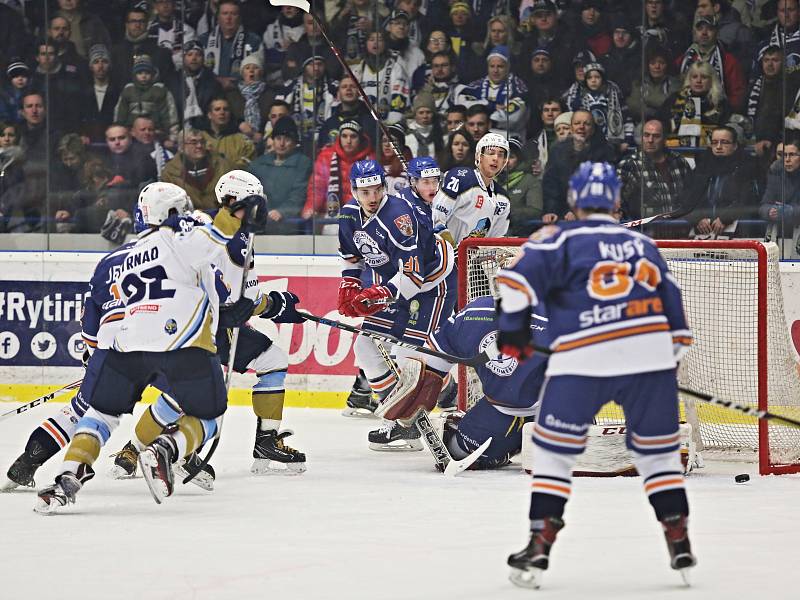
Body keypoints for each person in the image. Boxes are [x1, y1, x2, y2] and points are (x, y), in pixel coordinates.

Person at [496, 161, 695, 589]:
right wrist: (662, 363)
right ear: (616, 202)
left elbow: (513, 283)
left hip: (583, 358)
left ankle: (540, 540)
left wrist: (512, 332)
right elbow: (677, 321)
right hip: (650, 358)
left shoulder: (557, 238)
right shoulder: (643, 245)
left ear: (573, 200)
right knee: (657, 456)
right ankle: (678, 535)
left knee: (553, 452)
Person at [33, 183, 263, 512]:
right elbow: (217, 267)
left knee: (100, 416)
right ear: (173, 213)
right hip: (180, 344)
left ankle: (66, 475)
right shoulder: (184, 235)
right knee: (209, 414)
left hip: (126, 346)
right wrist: (237, 213)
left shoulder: (123, 256)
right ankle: (167, 448)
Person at [109, 172, 308, 478]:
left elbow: (239, 295)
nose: (258, 209)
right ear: (231, 201)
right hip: (202, 326)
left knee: (272, 359)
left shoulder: (229, 228)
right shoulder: (224, 234)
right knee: (183, 395)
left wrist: (269, 304)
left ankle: (266, 441)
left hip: (215, 322)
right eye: (251, 203)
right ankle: (137, 449)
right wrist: (275, 305)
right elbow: (237, 298)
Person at [338, 159, 456, 449]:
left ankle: (449, 397)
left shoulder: (398, 218)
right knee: (366, 347)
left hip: (432, 283)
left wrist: (379, 293)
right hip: (393, 282)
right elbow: (352, 257)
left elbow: (413, 276)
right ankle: (403, 421)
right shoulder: (348, 216)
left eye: (377, 189)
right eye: (365, 192)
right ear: (353, 191)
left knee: (408, 355)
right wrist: (350, 284)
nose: (372, 197)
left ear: (384, 187)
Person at [376, 294, 548, 470]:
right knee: (457, 450)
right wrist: (420, 385)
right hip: (514, 410)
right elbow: (431, 364)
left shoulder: (478, 311)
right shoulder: (476, 313)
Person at [681, 125, 761, 238]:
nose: (718, 147)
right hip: (702, 232)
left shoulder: (747, 168)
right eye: (714, 142)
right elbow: (685, 198)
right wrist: (697, 218)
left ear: (735, 145)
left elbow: (748, 200)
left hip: (737, 231)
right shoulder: (701, 168)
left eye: (724, 142)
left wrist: (725, 218)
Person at [432, 132, 511, 245]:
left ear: (504, 161)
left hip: (474, 260)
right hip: (444, 257)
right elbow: (436, 215)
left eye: (501, 154)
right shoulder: (460, 178)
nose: (495, 158)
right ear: (479, 155)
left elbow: (496, 240)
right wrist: (451, 249)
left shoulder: (503, 199)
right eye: (490, 153)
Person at [617, 119, 692, 233]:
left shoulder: (679, 162)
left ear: (664, 139)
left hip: (679, 232)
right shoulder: (629, 165)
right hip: (646, 234)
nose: (650, 140)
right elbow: (617, 203)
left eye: (656, 136)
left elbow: (692, 197)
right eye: (646, 135)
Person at [542, 109, 616, 223]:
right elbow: (551, 185)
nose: (581, 127)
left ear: (593, 128)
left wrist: (578, 211)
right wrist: (551, 211)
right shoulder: (557, 151)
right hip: (561, 214)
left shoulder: (605, 152)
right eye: (577, 123)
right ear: (571, 127)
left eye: (586, 124)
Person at [246, 116, 312, 234]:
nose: (281, 143)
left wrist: (283, 211)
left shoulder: (303, 163)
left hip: (290, 226)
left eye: (287, 139)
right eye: (278, 138)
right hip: (261, 226)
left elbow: (299, 195)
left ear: (295, 142)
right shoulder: (258, 164)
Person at [303, 120, 374, 227]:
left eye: (353, 136)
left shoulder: (370, 160)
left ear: (360, 139)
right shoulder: (326, 156)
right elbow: (317, 187)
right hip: (331, 218)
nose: (348, 141)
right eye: (344, 136)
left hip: (361, 220)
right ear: (339, 138)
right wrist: (311, 208)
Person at [676, 14, 746, 112]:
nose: (704, 33)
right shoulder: (683, 60)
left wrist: (723, 112)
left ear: (717, 33)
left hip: (718, 113)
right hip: (687, 112)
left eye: (709, 29)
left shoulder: (729, 61)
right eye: (700, 29)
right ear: (695, 32)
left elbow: (737, 95)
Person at [114, 54, 180, 147]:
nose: (144, 76)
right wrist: (120, 134)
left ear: (153, 74)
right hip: (131, 137)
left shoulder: (160, 90)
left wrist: (172, 138)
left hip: (156, 136)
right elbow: (119, 115)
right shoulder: (128, 90)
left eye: (147, 73)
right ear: (134, 74)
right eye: (140, 73)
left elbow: (170, 116)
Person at [660, 60, 730, 148]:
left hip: (710, 150)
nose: (698, 81)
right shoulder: (675, 99)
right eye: (694, 77)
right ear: (689, 79)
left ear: (712, 80)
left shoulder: (720, 103)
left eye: (704, 77)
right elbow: (660, 123)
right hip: (676, 149)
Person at [161, 128, 235, 209]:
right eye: (194, 142)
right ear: (182, 146)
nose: (199, 146)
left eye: (202, 142)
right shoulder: (170, 172)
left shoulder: (223, 165)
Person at [350, 27, 410, 125]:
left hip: (386, 124)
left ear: (385, 44)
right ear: (366, 44)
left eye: (380, 40)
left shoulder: (396, 68)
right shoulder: (358, 70)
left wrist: (391, 125)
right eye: (371, 39)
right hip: (361, 122)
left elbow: (398, 101)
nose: (375, 43)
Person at [200, 0, 263, 91]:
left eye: (233, 14)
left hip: (242, 92)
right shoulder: (204, 40)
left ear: (240, 17)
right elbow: (197, 71)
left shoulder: (254, 41)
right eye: (225, 13)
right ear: (218, 17)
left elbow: (257, 73)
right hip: (211, 92)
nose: (229, 18)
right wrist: (218, 81)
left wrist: (234, 83)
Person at [760, 138, 800, 255]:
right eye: (784, 155)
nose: (787, 160)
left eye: (792, 155)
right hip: (779, 233)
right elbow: (763, 205)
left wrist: (791, 211)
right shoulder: (776, 173)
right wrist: (769, 211)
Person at [198, 96, 255, 167]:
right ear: (209, 115)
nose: (222, 112)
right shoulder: (199, 138)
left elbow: (244, 168)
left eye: (226, 109)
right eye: (217, 109)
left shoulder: (243, 141)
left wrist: (217, 157)